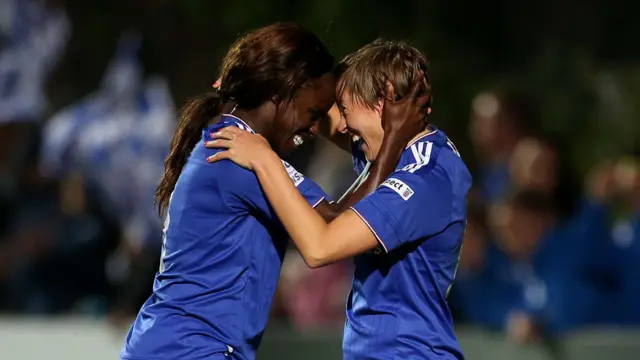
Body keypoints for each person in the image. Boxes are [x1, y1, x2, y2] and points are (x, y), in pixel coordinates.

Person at [121, 25, 426, 360]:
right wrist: (394, 139)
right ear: (284, 92)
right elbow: (338, 223)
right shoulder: (242, 156)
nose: (315, 129)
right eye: (314, 114)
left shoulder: (234, 141)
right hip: (190, 350)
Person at [207, 39, 471, 360]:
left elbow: (321, 248)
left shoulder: (425, 174)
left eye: (345, 109)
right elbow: (315, 111)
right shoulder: (389, 145)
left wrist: (264, 160)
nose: (342, 125)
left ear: (384, 99)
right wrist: (259, 86)